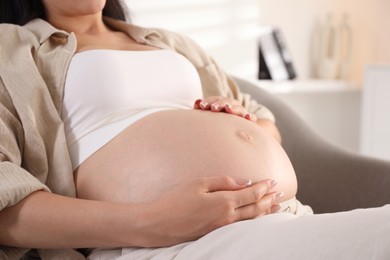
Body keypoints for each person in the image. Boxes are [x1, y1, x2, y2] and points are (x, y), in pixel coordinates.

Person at [1, 1, 389, 260]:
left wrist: (240, 120)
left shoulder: (172, 45)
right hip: (158, 243)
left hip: (282, 214)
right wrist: (153, 222)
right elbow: (5, 202)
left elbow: (264, 122)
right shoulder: (11, 48)